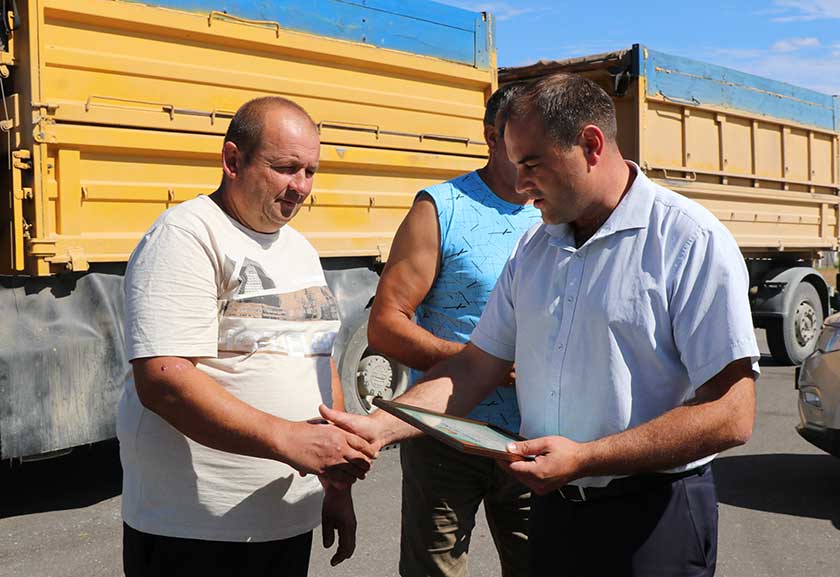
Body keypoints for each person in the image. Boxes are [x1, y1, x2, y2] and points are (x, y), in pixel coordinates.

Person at [322, 73, 759, 577]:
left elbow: (732, 413)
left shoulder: (688, 240)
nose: (520, 184)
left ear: (591, 145)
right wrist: (380, 428)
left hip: (653, 515)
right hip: (555, 511)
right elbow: (474, 368)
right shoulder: (535, 248)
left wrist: (587, 458)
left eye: (531, 165)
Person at [117, 96, 377, 577]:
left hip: (284, 522)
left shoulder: (299, 248)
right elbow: (163, 379)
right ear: (233, 160)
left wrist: (335, 485)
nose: (301, 186)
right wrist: (288, 439)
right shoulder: (186, 235)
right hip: (196, 531)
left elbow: (317, 360)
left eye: (311, 171)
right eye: (286, 168)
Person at [368, 84, 540, 577]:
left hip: (538, 437)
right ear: (491, 136)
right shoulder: (442, 207)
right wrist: (479, 364)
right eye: (522, 140)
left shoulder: (558, 209)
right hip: (447, 434)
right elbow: (386, 325)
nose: (534, 156)